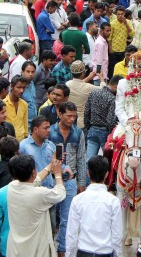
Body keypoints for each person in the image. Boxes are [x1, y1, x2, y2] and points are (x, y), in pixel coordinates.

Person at [5, 154, 66, 257]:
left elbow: (35, 180)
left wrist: (50, 166)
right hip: (36, 251)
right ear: (33, 172)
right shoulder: (40, 194)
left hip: (16, 250)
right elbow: (60, 193)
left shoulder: (11, 187)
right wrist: (58, 174)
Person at [48, 101, 87, 256]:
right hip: (51, 179)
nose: (71, 119)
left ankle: (62, 249)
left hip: (70, 181)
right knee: (51, 218)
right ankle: (49, 246)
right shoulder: (50, 132)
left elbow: (81, 159)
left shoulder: (78, 133)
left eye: (74, 116)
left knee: (67, 218)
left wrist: (81, 183)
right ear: (60, 114)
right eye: (68, 116)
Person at [66, 155, 122, 257]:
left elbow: (71, 233)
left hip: (84, 251)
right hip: (105, 252)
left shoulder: (77, 200)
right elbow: (117, 233)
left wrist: (69, 254)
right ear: (106, 174)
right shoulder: (113, 201)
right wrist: (117, 253)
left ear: (88, 173)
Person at [84, 75, 121, 162]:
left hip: (92, 129)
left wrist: (88, 126)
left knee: (89, 161)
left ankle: (87, 175)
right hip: (105, 132)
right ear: (116, 87)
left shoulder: (93, 93)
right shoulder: (112, 99)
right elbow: (111, 121)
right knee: (107, 161)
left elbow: (86, 112)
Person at [66, 60, 101, 130]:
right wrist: (102, 78)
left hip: (68, 120)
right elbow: (104, 89)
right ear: (83, 73)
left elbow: (78, 84)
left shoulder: (67, 84)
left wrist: (89, 77)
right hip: (81, 123)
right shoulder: (88, 87)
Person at [5, 75, 29, 141]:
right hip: (7, 141)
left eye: (23, 88)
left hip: (21, 141)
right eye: (18, 87)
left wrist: (26, 137)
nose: (21, 90)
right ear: (12, 86)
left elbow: (25, 124)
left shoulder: (24, 104)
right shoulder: (3, 104)